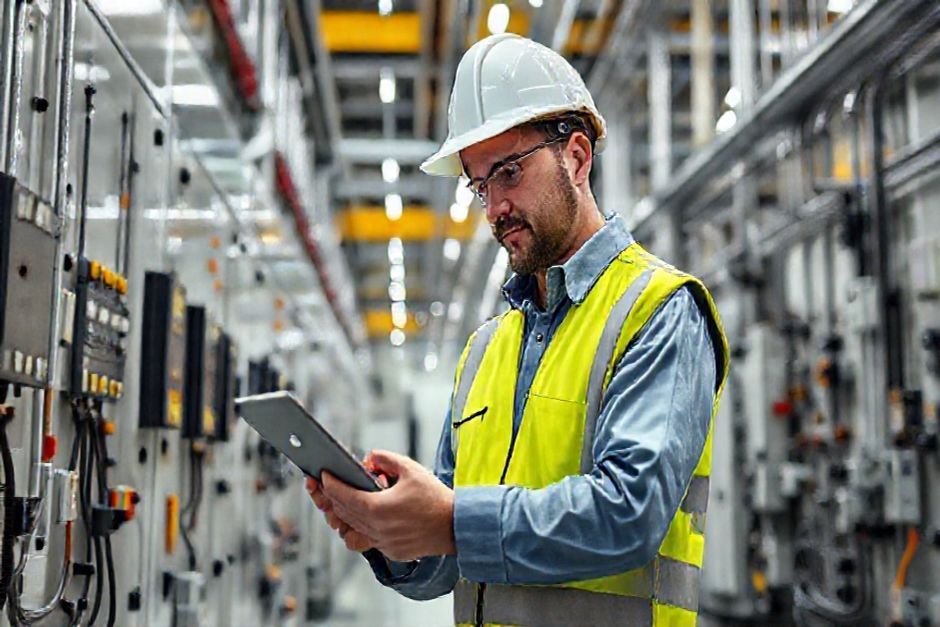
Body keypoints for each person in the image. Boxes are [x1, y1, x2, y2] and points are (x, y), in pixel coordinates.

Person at [306, 33, 729, 627]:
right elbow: (449, 560)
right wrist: (389, 528)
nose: (494, 206)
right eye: (480, 185)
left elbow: (628, 514)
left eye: (508, 172)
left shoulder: (658, 309)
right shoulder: (486, 349)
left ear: (576, 158)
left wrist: (450, 518)